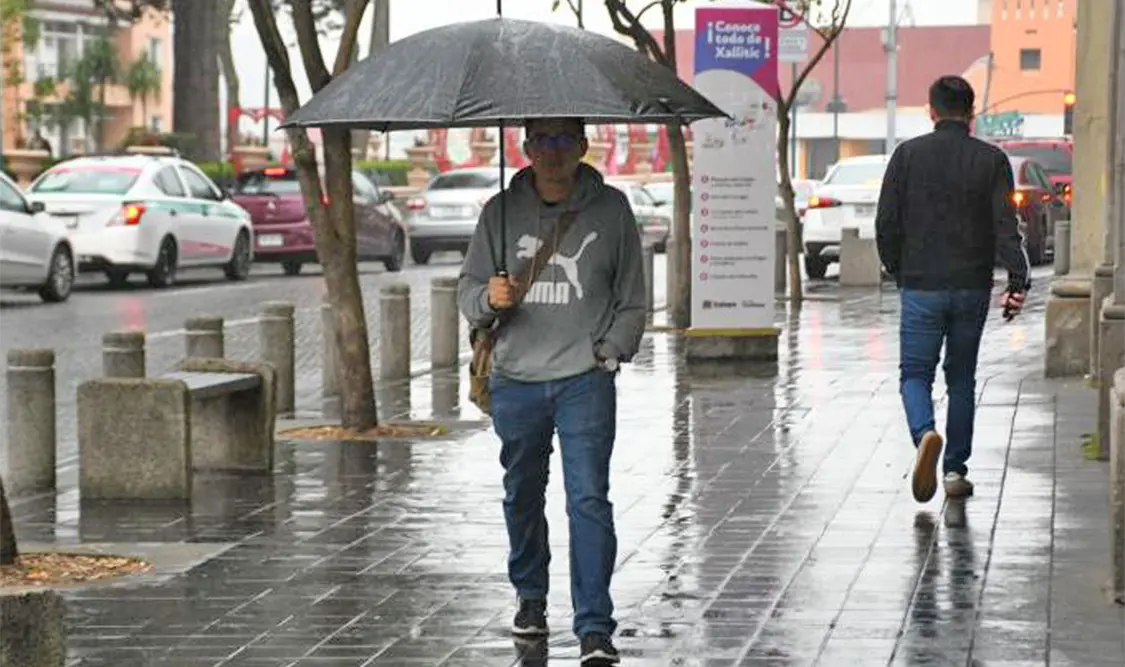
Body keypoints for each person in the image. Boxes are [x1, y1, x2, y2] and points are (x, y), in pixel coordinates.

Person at [457, 117, 646, 665]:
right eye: (542, 139)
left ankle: (594, 627)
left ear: (583, 146)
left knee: (588, 498)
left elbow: (633, 297)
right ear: (526, 147)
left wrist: (609, 352)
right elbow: (468, 291)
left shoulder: (612, 210)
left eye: (564, 139)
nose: (553, 151)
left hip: (585, 380)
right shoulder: (499, 212)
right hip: (516, 380)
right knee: (522, 493)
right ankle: (531, 597)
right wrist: (489, 298)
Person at [875, 75, 1030, 503]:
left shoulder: (907, 156)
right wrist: (1017, 280)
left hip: (921, 284)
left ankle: (925, 434)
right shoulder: (992, 160)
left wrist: (898, 270)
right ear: (971, 113)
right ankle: (955, 471)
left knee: (915, 374)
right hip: (971, 286)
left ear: (931, 111)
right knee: (961, 378)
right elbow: (1006, 227)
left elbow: (886, 222)